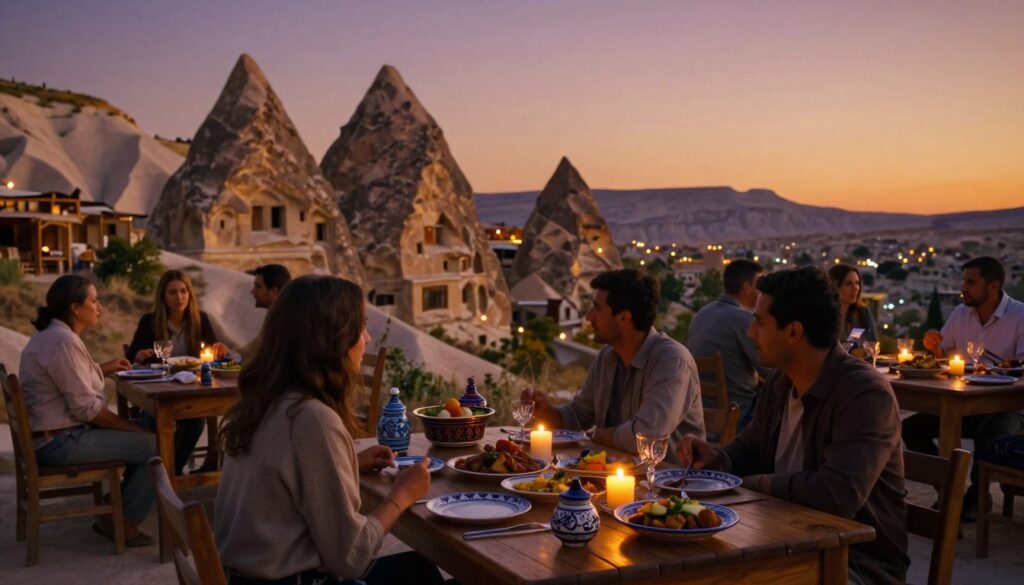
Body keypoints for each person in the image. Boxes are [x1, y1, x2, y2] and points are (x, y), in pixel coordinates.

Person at [676, 266, 908, 585]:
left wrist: (752, 484)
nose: (750, 333)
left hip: (854, 563)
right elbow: (751, 446)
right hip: (782, 541)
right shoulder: (781, 383)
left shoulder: (864, 395)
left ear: (794, 332)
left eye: (759, 322)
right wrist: (716, 459)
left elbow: (836, 494)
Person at [215, 275, 444, 584]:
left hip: (245, 576)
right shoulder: (311, 418)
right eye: (360, 327)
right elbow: (352, 557)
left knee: (418, 569)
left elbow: (286, 473)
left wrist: (349, 461)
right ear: (332, 339)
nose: (367, 338)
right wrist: (402, 495)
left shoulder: (264, 401)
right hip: (291, 580)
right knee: (423, 574)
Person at [19, 274, 157, 546]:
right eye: (94, 301)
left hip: (53, 436)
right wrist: (131, 427)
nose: (99, 307)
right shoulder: (62, 342)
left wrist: (104, 367)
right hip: (59, 441)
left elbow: (70, 379)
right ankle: (123, 522)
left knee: (148, 428)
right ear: (75, 307)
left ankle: (119, 502)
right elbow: (86, 410)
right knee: (154, 444)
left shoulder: (55, 336)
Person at [523, 268, 705, 463]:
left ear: (624, 318)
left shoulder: (672, 362)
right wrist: (548, 412)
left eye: (597, 309)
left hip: (666, 484)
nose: (589, 317)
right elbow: (579, 415)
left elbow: (645, 438)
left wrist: (600, 435)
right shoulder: (608, 357)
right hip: (611, 476)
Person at [906, 256, 1024, 521]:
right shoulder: (961, 313)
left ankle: (974, 500)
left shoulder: (1019, 316)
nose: (963, 288)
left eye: (971, 282)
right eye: (963, 281)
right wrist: (934, 345)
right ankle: (952, 491)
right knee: (911, 429)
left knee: (989, 437)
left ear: (992, 286)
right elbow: (944, 355)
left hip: (1009, 407)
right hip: (965, 404)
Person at [126, 269, 229, 475]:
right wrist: (139, 356)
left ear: (190, 294)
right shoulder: (150, 322)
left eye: (183, 291)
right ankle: (143, 477)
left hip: (190, 392)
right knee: (149, 423)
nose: (179, 297)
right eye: (172, 292)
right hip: (159, 392)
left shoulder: (200, 319)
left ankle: (171, 472)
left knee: (196, 422)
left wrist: (219, 350)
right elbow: (131, 359)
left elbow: (214, 354)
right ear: (163, 296)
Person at [687, 259, 769, 430]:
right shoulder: (745, 320)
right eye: (759, 286)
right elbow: (768, 369)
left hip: (702, 411)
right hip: (739, 412)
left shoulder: (701, 315)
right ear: (747, 287)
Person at [239, 264, 292, 363]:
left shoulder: (284, 319)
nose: (253, 292)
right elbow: (252, 351)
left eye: (258, 287)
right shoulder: (276, 315)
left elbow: (257, 358)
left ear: (274, 291)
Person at [827, 264, 876, 345]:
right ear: (835, 287)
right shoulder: (824, 315)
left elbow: (872, 344)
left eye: (857, 283)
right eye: (848, 284)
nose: (855, 288)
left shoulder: (862, 313)